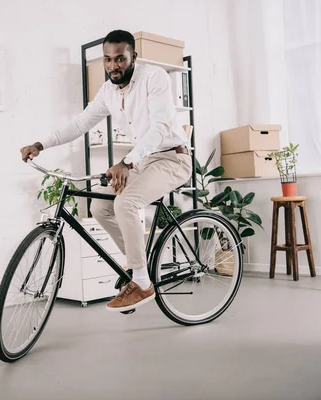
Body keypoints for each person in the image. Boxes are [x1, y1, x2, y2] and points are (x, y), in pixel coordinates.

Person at [20, 29, 192, 312]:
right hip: (144, 160)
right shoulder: (108, 91)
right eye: (108, 60)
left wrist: (126, 162)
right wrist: (41, 144)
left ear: (133, 56)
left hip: (173, 158)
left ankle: (142, 283)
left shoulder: (154, 77)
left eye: (120, 59)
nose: (114, 66)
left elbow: (160, 128)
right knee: (100, 206)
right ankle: (138, 267)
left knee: (126, 202)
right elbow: (80, 124)